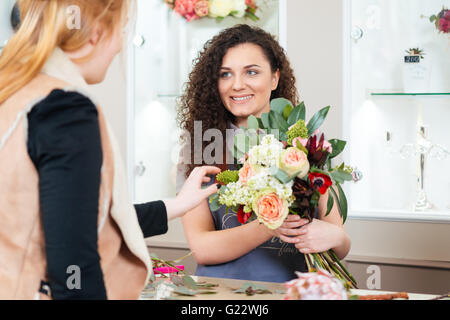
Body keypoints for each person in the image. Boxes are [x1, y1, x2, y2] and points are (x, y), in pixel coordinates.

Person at [0, 0, 219, 300]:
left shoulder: (13, 93)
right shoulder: (65, 110)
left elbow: (71, 216)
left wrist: (177, 205)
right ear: (96, 32)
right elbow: (73, 265)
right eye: (123, 31)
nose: (119, 47)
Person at [177, 24, 351, 282]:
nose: (237, 85)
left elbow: (340, 241)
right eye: (225, 74)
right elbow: (202, 249)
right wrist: (270, 224)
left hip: (294, 292)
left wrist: (336, 237)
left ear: (274, 78)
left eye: (251, 72)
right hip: (221, 293)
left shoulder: (307, 148)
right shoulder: (199, 148)